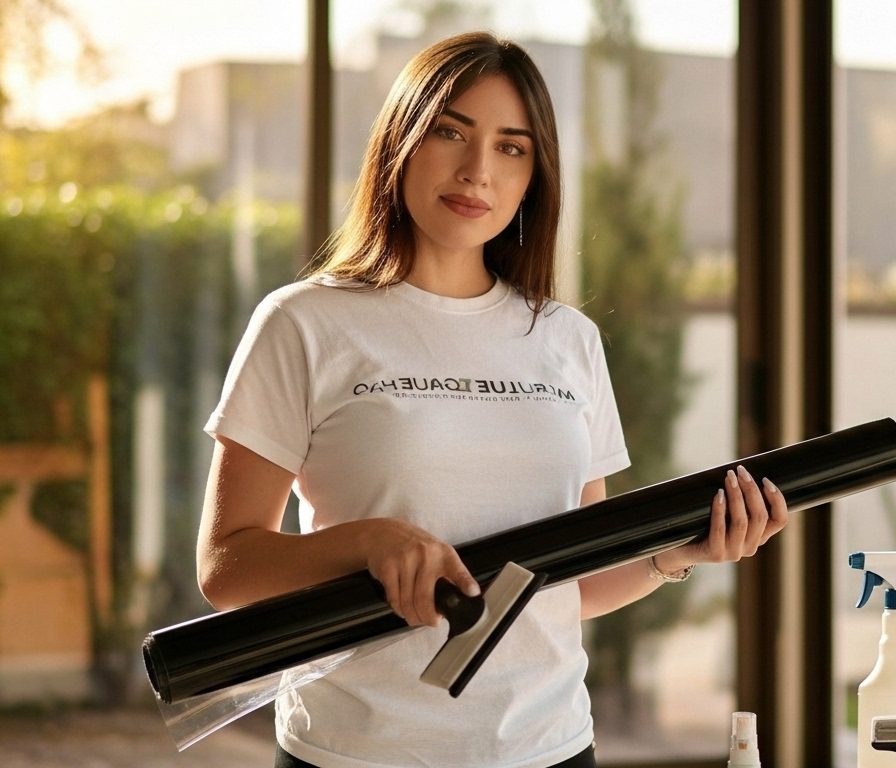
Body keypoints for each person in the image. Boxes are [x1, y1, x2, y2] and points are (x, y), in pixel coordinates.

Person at [195, 31, 789, 768]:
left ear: (534, 177)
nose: (477, 170)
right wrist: (368, 542)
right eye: (451, 132)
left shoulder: (567, 339)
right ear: (401, 142)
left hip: (551, 747)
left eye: (512, 147)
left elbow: (567, 579)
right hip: (357, 751)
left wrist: (678, 554)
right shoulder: (305, 322)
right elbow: (227, 566)